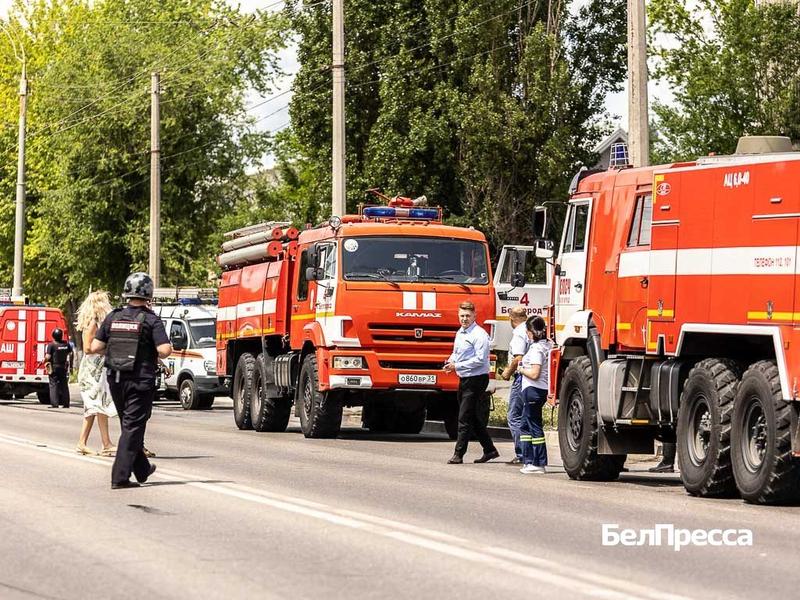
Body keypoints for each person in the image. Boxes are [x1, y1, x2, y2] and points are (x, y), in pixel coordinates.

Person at [91, 272, 172, 489]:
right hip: (140, 381)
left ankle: (142, 469)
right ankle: (119, 477)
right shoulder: (151, 320)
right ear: (148, 294)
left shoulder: (113, 317)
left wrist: (115, 349)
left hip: (116, 378)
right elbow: (164, 350)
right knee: (133, 426)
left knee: (129, 425)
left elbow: (95, 347)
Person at [444, 301, 499, 464]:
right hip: (464, 378)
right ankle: (490, 450)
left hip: (477, 379)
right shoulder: (460, 333)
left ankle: (458, 454)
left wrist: (457, 366)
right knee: (472, 416)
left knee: (464, 417)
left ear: (475, 316)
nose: (464, 319)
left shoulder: (479, 334)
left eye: (468, 316)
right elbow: (456, 353)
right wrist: (450, 362)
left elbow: (480, 360)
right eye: (462, 315)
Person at [75, 291, 117, 456]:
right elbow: (87, 348)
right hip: (92, 369)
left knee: (96, 406)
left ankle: (88, 443)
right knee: (96, 405)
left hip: (97, 368)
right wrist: (107, 350)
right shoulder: (93, 322)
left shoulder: (97, 322)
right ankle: (103, 443)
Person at [517, 316, 553, 474]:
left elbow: (534, 373)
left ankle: (539, 463)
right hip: (536, 390)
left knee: (534, 426)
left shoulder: (537, 349)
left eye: (528, 331)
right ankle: (528, 461)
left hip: (534, 390)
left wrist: (521, 369)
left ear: (531, 332)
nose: (527, 333)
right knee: (525, 426)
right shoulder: (547, 344)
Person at [500, 307, 530, 464]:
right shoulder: (529, 329)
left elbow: (518, 358)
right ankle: (530, 453)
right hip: (531, 378)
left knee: (514, 416)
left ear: (511, 319)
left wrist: (507, 372)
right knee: (526, 417)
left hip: (520, 377)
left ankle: (522, 454)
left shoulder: (519, 332)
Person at [45, 329, 73, 408]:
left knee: (53, 385)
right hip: (63, 367)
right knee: (64, 385)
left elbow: (48, 357)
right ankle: (66, 403)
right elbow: (71, 354)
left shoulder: (51, 345)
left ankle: (55, 404)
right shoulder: (66, 344)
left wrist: (44, 360)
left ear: (53, 336)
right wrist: (71, 366)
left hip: (54, 367)